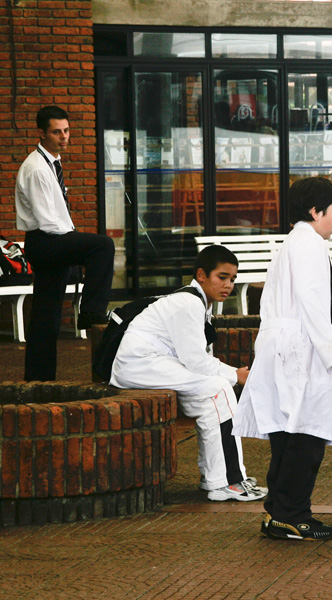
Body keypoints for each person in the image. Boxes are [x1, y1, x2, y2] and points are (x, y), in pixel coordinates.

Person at [232, 177, 332, 541]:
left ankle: (279, 513)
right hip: (300, 348)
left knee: (287, 434)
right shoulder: (310, 244)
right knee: (305, 436)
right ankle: (291, 514)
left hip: (283, 345)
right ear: (315, 212)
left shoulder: (293, 242)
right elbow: (314, 305)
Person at [110, 245, 266, 503]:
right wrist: (235, 375)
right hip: (139, 365)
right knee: (218, 390)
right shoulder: (188, 303)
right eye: (222, 277)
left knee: (213, 395)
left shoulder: (198, 302)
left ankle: (218, 479)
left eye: (232, 279)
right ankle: (227, 481)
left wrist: (230, 375)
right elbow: (196, 362)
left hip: (151, 364)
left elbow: (196, 358)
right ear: (201, 275)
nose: (228, 285)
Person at [14, 105, 115, 381]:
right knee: (103, 246)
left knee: (46, 315)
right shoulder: (37, 168)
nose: (64, 137)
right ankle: (91, 312)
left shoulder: (51, 163)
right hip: (45, 241)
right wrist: (75, 242)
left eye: (66, 131)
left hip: (50, 239)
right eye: (56, 132)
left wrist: (73, 239)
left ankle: (38, 379)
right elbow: (48, 222)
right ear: (41, 133)